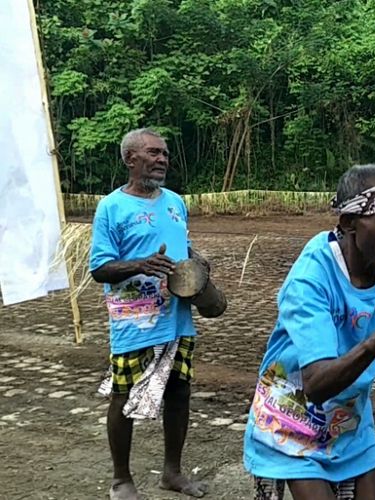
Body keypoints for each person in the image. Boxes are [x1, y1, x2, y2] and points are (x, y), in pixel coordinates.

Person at [243, 164, 375, 500]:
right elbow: (315, 385)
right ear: (348, 223)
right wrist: (373, 345)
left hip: (349, 423)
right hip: (291, 419)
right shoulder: (311, 278)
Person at [90, 128, 210, 500]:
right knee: (124, 397)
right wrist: (142, 264)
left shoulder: (175, 201)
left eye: (165, 154)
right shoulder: (112, 207)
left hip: (177, 318)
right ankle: (121, 480)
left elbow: (182, 244)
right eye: (154, 153)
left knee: (178, 391)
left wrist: (197, 261)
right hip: (134, 322)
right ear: (131, 160)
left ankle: (172, 473)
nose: (162, 159)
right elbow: (99, 269)